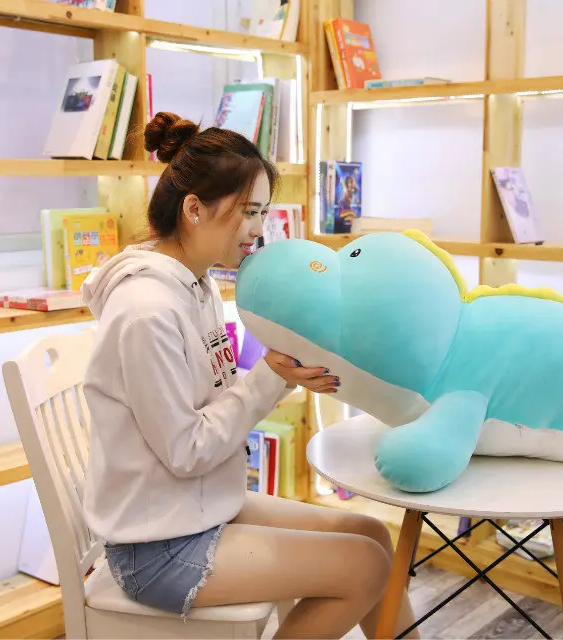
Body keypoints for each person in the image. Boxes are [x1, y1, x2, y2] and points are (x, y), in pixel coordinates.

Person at [80, 111, 418, 639]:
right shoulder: (147, 313)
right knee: (366, 567)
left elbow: (214, 399)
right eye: (250, 212)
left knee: (373, 535)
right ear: (194, 208)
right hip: (158, 547)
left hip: (200, 510)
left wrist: (283, 374)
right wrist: (267, 378)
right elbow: (187, 450)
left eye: (263, 213)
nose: (259, 230)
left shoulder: (196, 286)